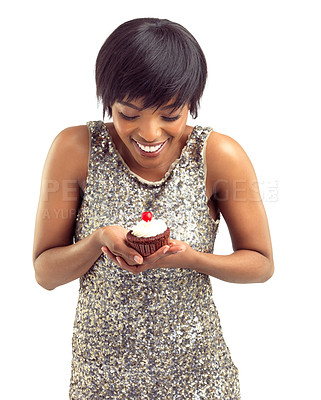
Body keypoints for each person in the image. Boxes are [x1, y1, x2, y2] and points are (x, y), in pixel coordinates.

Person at [33, 17, 274, 399]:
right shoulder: (75, 150)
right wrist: (98, 242)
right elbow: (45, 273)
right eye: (128, 114)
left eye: (170, 115)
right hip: (101, 379)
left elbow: (261, 264)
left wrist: (192, 259)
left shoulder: (220, 156)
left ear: (191, 104)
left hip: (199, 377)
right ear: (107, 101)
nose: (149, 134)